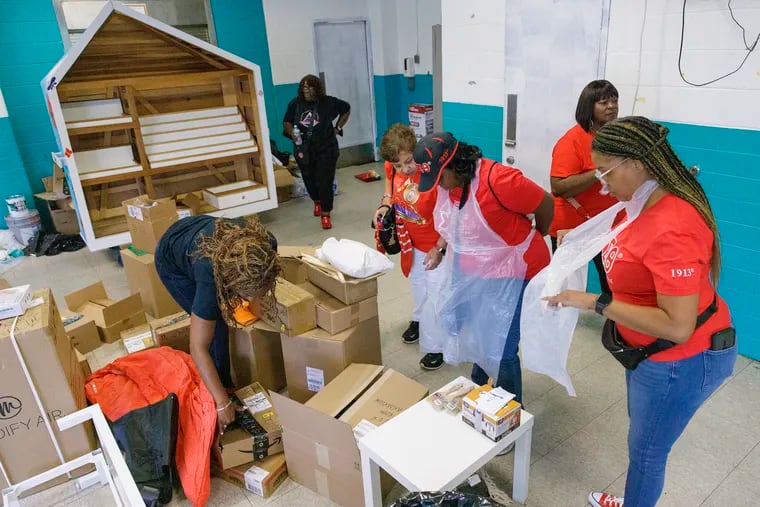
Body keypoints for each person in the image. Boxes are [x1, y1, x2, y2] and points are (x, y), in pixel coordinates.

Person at [544, 117, 737, 507]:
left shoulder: (672, 225)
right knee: (642, 435)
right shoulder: (636, 203)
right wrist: (578, 240)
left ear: (636, 163)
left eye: (605, 171)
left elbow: (678, 327)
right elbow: (628, 247)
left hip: (681, 359)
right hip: (648, 355)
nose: (601, 183)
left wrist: (594, 302)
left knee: (647, 453)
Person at [414, 132, 554, 404]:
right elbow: (458, 221)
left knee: (501, 347)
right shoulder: (452, 184)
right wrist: (441, 247)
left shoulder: (500, 180)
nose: (439, 186)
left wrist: (540, 233)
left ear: (456, 164)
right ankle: (480, 396)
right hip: (480, 270)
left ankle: (510, 413)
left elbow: (546, 203)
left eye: (440, 177)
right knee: (478, 335)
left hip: (518, 270)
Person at [155, 215, 280, 433]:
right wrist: (222, 402)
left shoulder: (267, 246)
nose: (250, 300)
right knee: (215, 331)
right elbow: (198, 347)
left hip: (199, 231)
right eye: (246, 294)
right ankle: (221, 392)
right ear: (228, 281)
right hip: (172, 257)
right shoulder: (208, 275)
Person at [374, 124, 446, 370]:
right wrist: (385, 204)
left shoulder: (433, 173)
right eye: (398, 165)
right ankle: (418, 319)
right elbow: (388, 183)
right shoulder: (392, 168)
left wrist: (440, 247)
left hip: (437, 244)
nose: (404, 169)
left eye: (408, 162)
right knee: (418, 284)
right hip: (411, 242)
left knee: (436, 294)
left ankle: (437, 346)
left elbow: (454, 215)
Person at [549, 80, 619, 293]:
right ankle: (556, 325)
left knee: (613, 284)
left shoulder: (614, 135)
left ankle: (615, 326)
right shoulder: (572, 141)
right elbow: (558, 187)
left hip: (606, 224)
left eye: (614, 101)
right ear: (589, 106)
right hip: (574, 224)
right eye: (604, 102)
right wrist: (599, 171)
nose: (611, 106)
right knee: (563, 289)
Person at [283, 74, 350, 230]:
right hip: (304, 149)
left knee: (325, 180)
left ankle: (326, 213)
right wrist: (293, 134)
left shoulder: (328, 102)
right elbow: (286, 121)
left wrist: (337, 128)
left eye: (310, 87)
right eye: (304, 87)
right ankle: (317, 202)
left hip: (326, 148)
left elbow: (346, 109)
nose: (307, 90)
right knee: (309, 179)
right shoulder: (295, 104)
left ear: (317, 88)